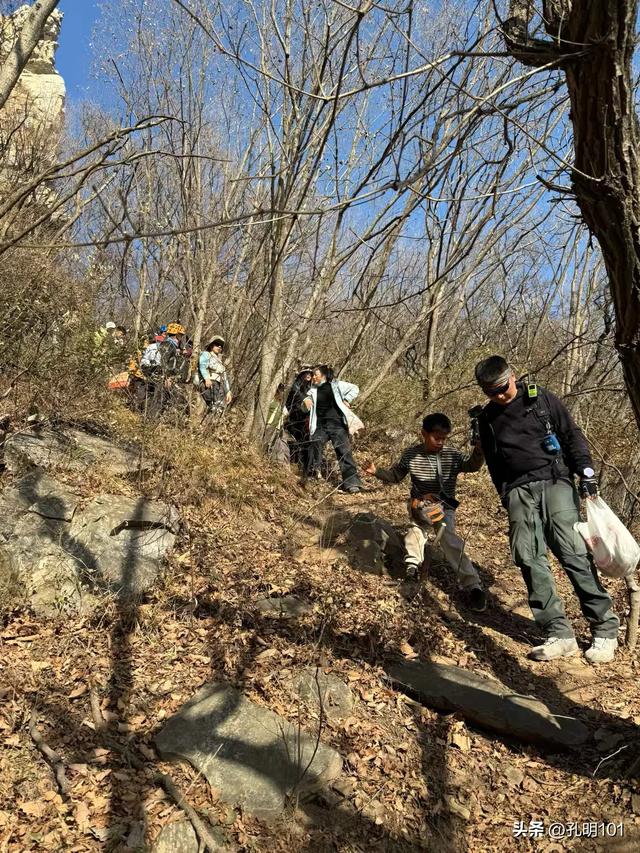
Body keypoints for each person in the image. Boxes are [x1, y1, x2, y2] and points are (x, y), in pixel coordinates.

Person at [474, 355, 619, 664]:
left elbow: (571, 435)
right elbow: (494, 462)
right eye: (491, 392)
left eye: (502, 388)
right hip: (517, 490)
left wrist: (587, 474)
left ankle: (605, 629)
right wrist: (506, 495)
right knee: (528, 556)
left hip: (554, 482)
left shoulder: (540, 399)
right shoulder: (486, 418)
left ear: (512, 376)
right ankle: (558, 632)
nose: (500, 396)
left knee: (573, 553)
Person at [363, 412, 486, 611]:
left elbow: (472, 466)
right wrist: (377, 472)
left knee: (448, 539)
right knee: (416, 530)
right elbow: (396, 475)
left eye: (444, 438)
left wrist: (479, 451)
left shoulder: (452, 455)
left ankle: (473, 586)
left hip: (444, 507)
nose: (440, 442)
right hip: (420, 504)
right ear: (423, 434)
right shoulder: (412, 454)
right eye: (436, 437)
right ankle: (412, 567)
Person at [303, 365, 363, 494]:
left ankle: (352, 483)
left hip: (337, 424)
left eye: (316, 375)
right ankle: (314, 475)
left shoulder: (336, 385)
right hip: (320, 426)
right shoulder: (311, 390)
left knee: (344, 452)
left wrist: (347, 399)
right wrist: (305, 400)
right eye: (313, 375)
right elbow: (305, 403)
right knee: (315, 443)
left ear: (323, 375)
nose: (313, 377)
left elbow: (355, 388)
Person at [140, 322, 187, 417]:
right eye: (181, 335)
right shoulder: (169, 344)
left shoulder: (168, 344)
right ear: (177, 334)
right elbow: (164, 361)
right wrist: (167, 377)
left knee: (159, 399)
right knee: (159, 400)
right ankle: (150, 421)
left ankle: (149, 418)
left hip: (159, 375)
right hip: (161, 377)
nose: (181, 338)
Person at [197, 336, 232, 416]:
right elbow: (202, 366)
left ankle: (213, 426)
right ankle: (209, 425)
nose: (219, 347)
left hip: (219, 386)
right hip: (210, 383)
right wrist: (206, 378)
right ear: (211, 345)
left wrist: (228, 391)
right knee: (214, 407)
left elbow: (224, 376)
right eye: (217, 344)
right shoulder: (206, 354)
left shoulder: (220, 361)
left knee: (219, 408)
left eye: (221, 346)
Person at [286, 366, 313, 468]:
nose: (309, 375)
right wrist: (304, 398)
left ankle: (299, 463)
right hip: (293, 415)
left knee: (302, 440)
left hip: (304, 418)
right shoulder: (296, 384)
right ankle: (291, 460)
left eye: (310, 374)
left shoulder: (310, 388)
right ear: (302, 374)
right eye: (306, 373)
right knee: (293, 437)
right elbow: (295, 392)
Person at [264, 383, 290, 465]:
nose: (282, 393)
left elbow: (286, 414)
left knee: (273, 445)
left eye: (283, 391)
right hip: (269, 425)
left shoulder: (282, 404)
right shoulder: (271, 400)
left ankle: (269, 461)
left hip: (278, 428)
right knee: (267, 443)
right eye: (280, 390)